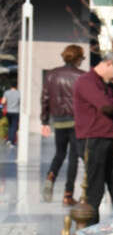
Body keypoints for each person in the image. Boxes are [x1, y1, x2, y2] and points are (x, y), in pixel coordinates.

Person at [73, 52, 113, 224]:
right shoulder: (86, 81)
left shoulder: (105, 85)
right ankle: (91, 230)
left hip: (109, 139)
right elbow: (106, 106)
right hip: (93, 140)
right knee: (95, 189)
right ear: (108, 64)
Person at [41, 45, 86, 205]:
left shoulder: (51, 75)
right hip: (76, 121)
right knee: (74, 157)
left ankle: (50, 176)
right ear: (77, 58)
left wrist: (45, 121)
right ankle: (68, 195)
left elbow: (45, 98)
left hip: (59, 120)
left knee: (59, 153)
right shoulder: (82, 76)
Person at [1, 80, 19, 146]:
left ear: (10, 86)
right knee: (14, 126)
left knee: (10, 125)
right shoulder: (18, 93)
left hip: (8, 111)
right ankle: (12, 141)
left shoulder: (6, 92)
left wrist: (3, 107)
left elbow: (3, 102)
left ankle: (8, 140)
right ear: (16, 86)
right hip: (16, 112)